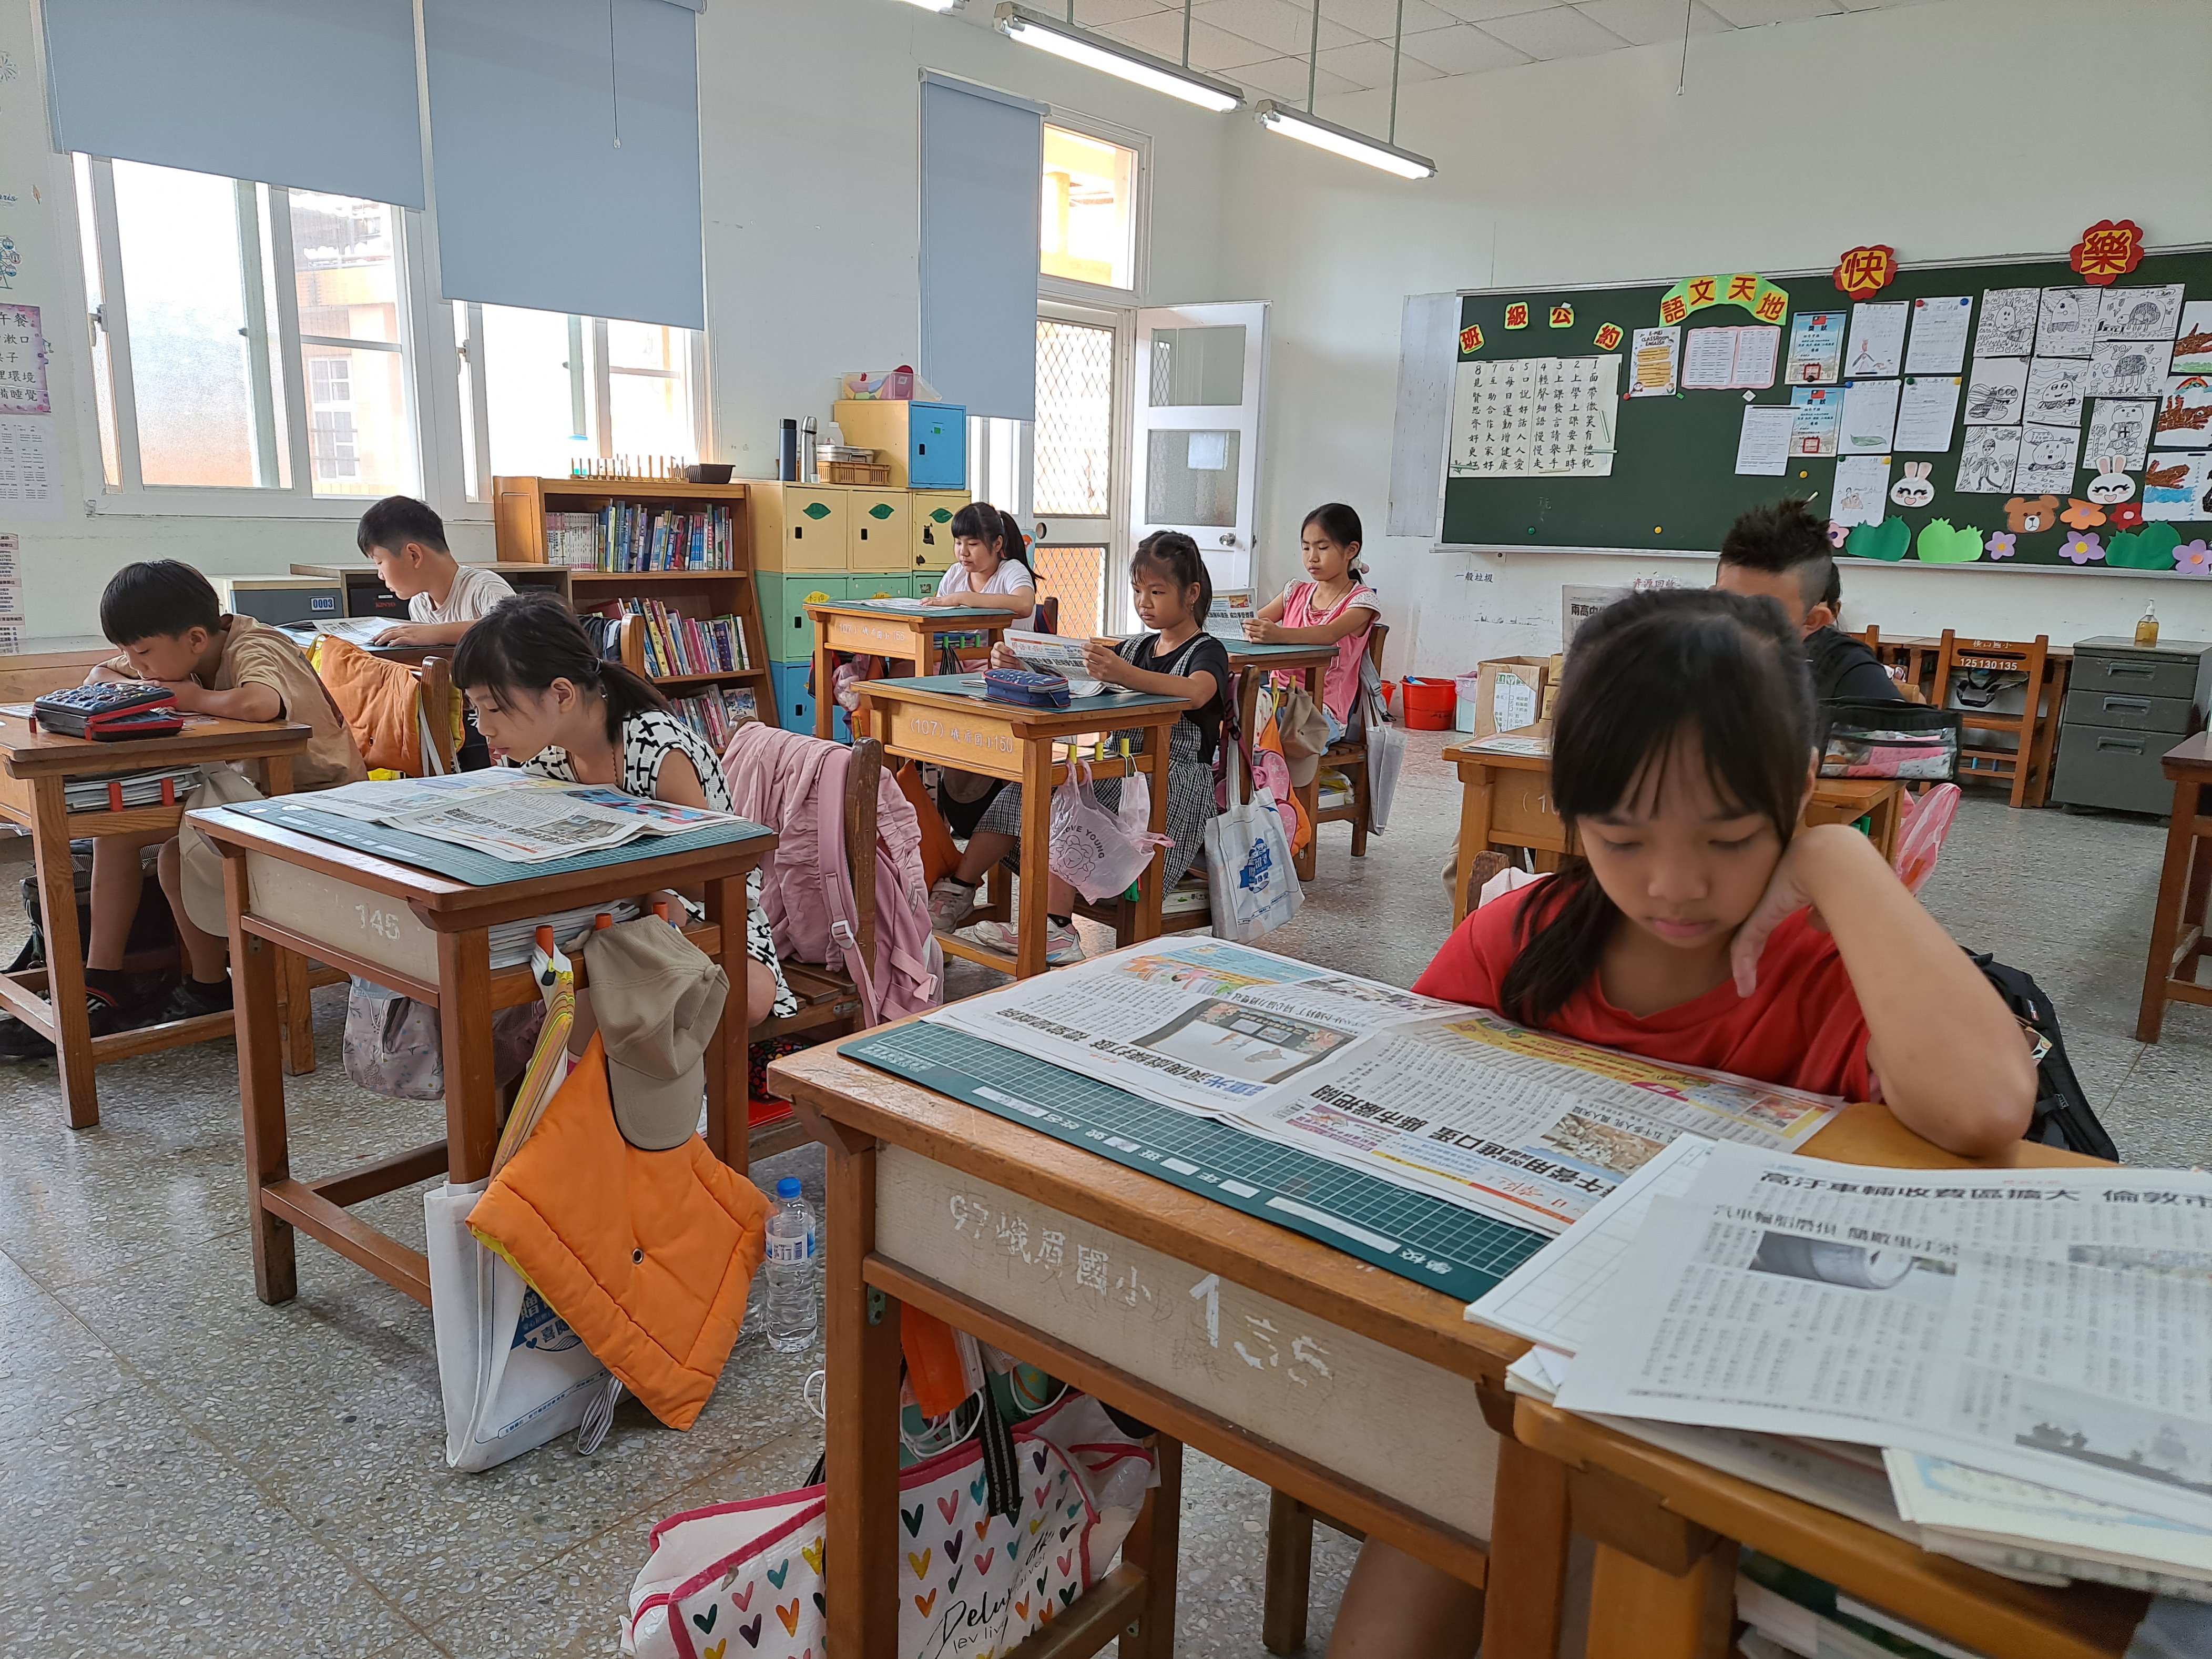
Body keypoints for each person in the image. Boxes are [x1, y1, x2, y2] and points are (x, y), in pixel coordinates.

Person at [1329, 588, 2035, 1659]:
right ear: (1571, 813)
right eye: (1622, 836)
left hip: (1729, 1430)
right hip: (1502, 1392)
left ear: (1795, 793)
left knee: (1607, 1567)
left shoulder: (1829, 978)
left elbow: (1985, 1109)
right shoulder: (1515, 939)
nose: (1672, 885)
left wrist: (1838, 857)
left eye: (1730, 837)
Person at [0, 561, 369, 1054]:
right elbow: (100, 675)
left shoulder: (256, 644)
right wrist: (147, 683)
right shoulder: (174, 648)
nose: (137, 665)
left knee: (179, 853)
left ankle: (208, 985)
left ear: (196, 639)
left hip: (316, 802)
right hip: (248, 792)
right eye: (130, 653)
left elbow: (260, 704)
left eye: (143, 653)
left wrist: (188, 696)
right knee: (118, 829)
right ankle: (101, 980)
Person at [452, 592, 794, 1030]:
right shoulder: (543, 755)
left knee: (711, 996)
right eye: (475, 709)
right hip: (605, 917)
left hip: (708, 916)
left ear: (561, 694)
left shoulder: (657, 749)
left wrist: (632, 889)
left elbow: (707, 881)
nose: (483, 727)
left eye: (494, 707)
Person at [927, 532, 1228, 965]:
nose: (1144, 602)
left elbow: (1198, 692)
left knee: (1071, 803)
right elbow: (1079, 683)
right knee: (1027, 791)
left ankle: (1056, 927)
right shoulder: (1136, 647)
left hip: (1169, 783)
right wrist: (1021, 665)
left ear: (1191, 593)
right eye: (1138, 591)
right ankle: (958, 890)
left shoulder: (1207, 650)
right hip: (1122, 768)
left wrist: (1124, 674)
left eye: (1157, 592)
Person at [1713, 497, 1901, 704]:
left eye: (1763, 612)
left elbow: (1896, 721)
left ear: (1811, 621)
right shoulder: (1692, 645)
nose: (1736, 623)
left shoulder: (1843, 666)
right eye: (1724, 602)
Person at [1244, 502, 1381, 736]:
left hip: (1321, 710)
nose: (1312, 558)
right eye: (1306, 548)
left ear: (1351, 550)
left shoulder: (1362, 601)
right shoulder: (1295, 591)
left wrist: (1278, 634)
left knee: (1256, 728)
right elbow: (1253, 620)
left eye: (1323, 548)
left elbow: (1328, 634)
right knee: (1234, 710)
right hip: (1276, 697)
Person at [358, 495, 514, 648]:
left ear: (414, 555)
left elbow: (514, 629)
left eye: (379, 562)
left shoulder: (484, 588)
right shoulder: (419, 604)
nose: (380, 575)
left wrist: (434, 633)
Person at [921, 502, 1036, 629]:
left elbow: (1025, 605)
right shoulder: (955, 573)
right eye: (958, 543)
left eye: (973, 544)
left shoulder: (1013, 570)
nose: (963, 552)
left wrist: (962, 598)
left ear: (997, 544)